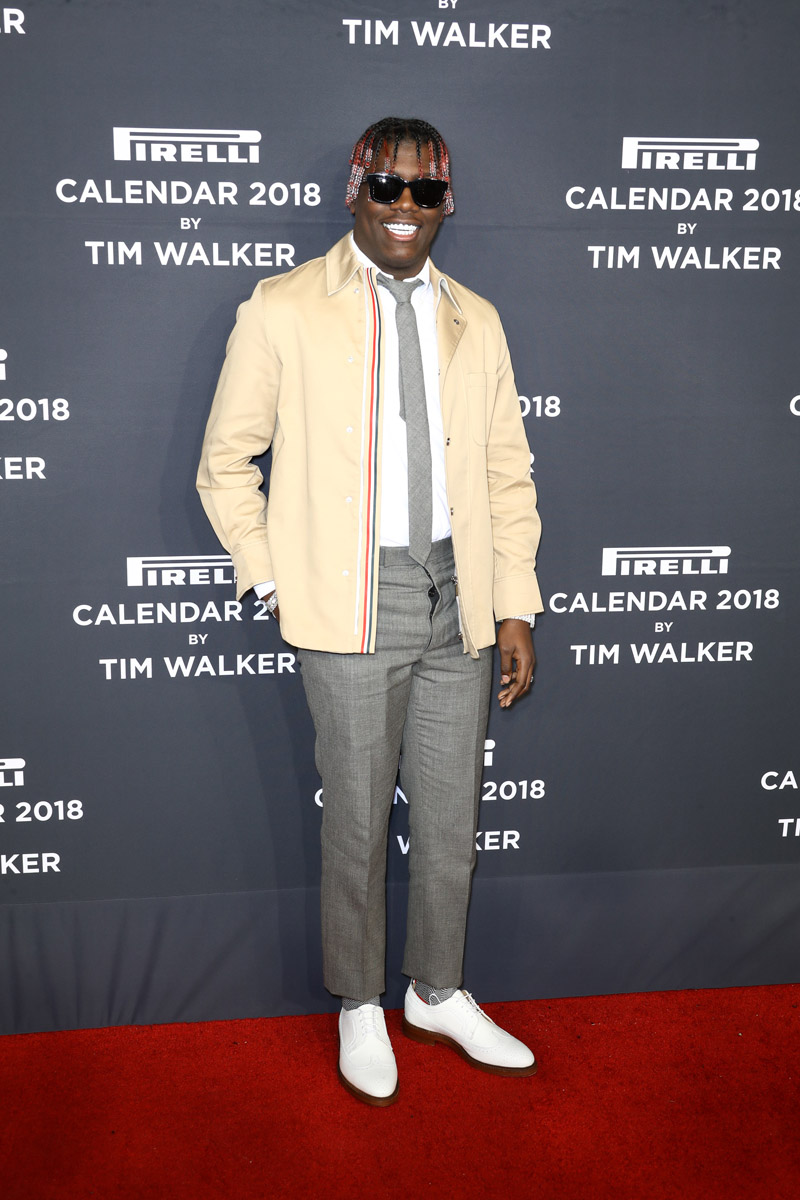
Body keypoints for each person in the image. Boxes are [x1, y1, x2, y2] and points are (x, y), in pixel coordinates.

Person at [197, 117, 544, 1106]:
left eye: (425, 192)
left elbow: (505, 472)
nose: (404, 207)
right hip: (347, 600)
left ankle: (436, 991)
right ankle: (359, 1001)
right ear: (354, 191)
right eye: (386, 187)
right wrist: (275, 580)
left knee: (450, 816)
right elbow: (226, 461)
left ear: (445, 204)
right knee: (353, 817)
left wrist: (513, 604)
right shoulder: (282, 308)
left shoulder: (476, 319)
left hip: (457, 596)